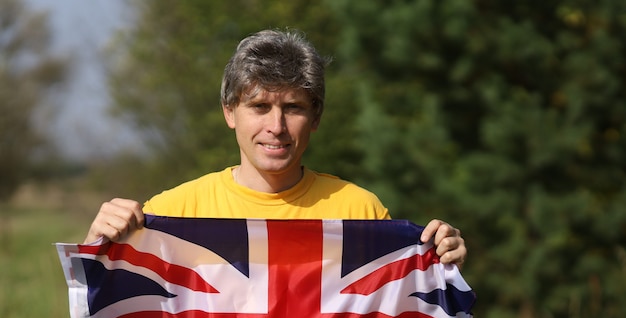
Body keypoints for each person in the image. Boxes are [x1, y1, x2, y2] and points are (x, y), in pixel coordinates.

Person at [84, 29, 466, 266]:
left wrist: (439, 263)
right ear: (229, 112)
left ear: (315, 117)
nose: (276, 127)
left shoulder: (360, 212)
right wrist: (97, 244)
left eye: (293, 108)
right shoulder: (171, 214)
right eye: (260, 106)